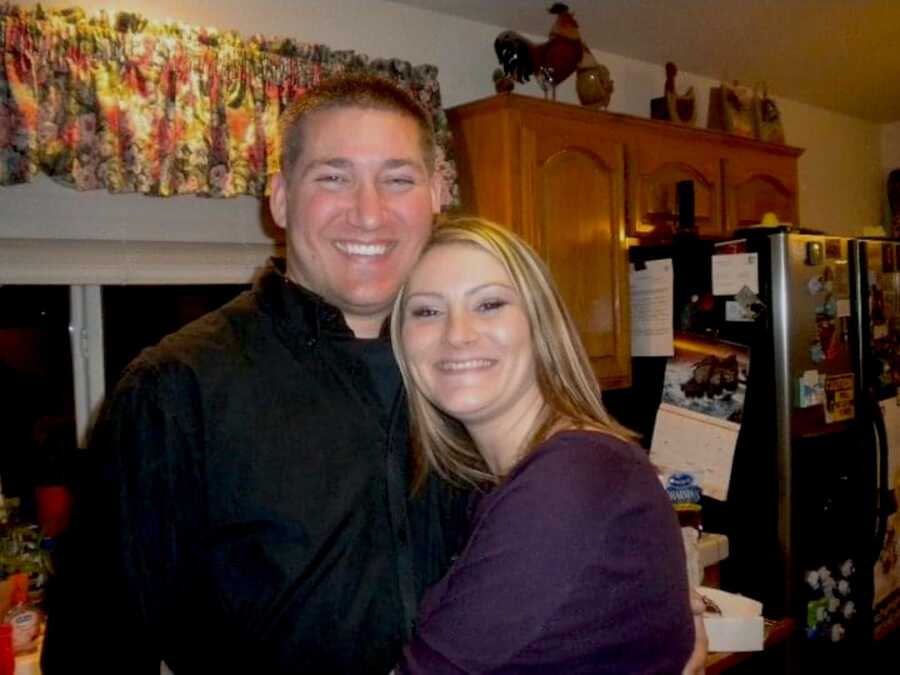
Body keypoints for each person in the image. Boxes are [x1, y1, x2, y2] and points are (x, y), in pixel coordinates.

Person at [43, 74, 707, 675]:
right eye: (333, 176)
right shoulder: (177, 392)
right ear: (278, 197)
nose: (368, 211)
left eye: (397, 177)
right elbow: (94, 653)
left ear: (436, 195)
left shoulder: (465, 377)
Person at [390, 217, 696, 674]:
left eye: (489, 304)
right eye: (427, 311)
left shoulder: (571, 480)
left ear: (541, 324)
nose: (457, 334)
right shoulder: (511, 482)